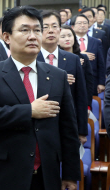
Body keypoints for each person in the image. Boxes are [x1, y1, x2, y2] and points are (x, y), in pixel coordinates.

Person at [0, 6, 81, 190]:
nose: (33, 36)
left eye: (37, 30)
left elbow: (68, 129)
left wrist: (70, 174)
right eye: (25, 30)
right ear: (6, 37)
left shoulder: (58, 76)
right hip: (7, 174)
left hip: (47, 175)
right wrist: (29, 111)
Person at [37, 10, 88, 143]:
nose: (50, 31)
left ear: (60, 30)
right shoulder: (31, 58)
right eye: (45, 27)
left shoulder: (72, 59)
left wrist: (82, 131)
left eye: (54, 26)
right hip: (39, 125)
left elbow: (80, 96)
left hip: (68, 124)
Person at [58, 25, 94, 117]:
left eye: (70, 35)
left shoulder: (83, 58)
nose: (67, 39)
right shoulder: (54, 58)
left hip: (79, 101)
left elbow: (88, 84)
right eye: (63, 37)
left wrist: (88, 106)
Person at [71, 14, 105, 95]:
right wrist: (81, 55)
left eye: (85, 23)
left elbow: (101, 63)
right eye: (79, 23)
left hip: (92, 80)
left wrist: (101, 83)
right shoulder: (69, 41)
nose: (82, 25)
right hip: (74, 80)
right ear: (73, 26)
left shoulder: (96, 42)